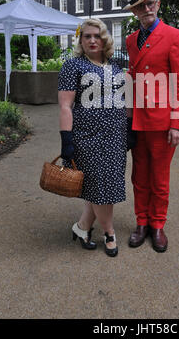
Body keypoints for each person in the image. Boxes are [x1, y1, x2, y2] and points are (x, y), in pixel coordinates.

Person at [124, 0, 179, 253]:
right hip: (136, 120)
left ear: (158, 4)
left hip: (162, 123)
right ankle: (142, 222)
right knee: (139, 176)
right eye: (141, 6)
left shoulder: (175, 36)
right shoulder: (130, 40)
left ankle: (158, 225)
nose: (147, 9)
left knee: (159, 177)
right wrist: (126, 114)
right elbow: (132, 77)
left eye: (150, 3)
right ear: (135, 12)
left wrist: (178, 124)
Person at [58, 18, 127, 257]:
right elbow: (65, 106)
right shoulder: (72, 66)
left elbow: (124, 100)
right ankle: (109, 232)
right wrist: (66, 140)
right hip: (87, 138)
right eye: (87, 36)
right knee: (101, 187)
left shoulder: (116, 65)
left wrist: (130, 130)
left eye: (97, 36)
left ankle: (82, 227)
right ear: (81, 39)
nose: (92, 40)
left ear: (105, 38)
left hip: (116, 136)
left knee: (99, 187)